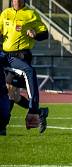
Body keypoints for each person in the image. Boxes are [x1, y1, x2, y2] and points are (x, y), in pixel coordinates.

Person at [0, 0, 49, 133]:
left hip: (21, 56)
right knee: (12, 94)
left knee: (10, 90)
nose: (17, 0)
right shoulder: (5, 13)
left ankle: (3, 125)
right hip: (6, 56)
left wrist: (35, 34)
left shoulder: (31, 14)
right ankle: (40, 112)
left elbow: (45, 33)